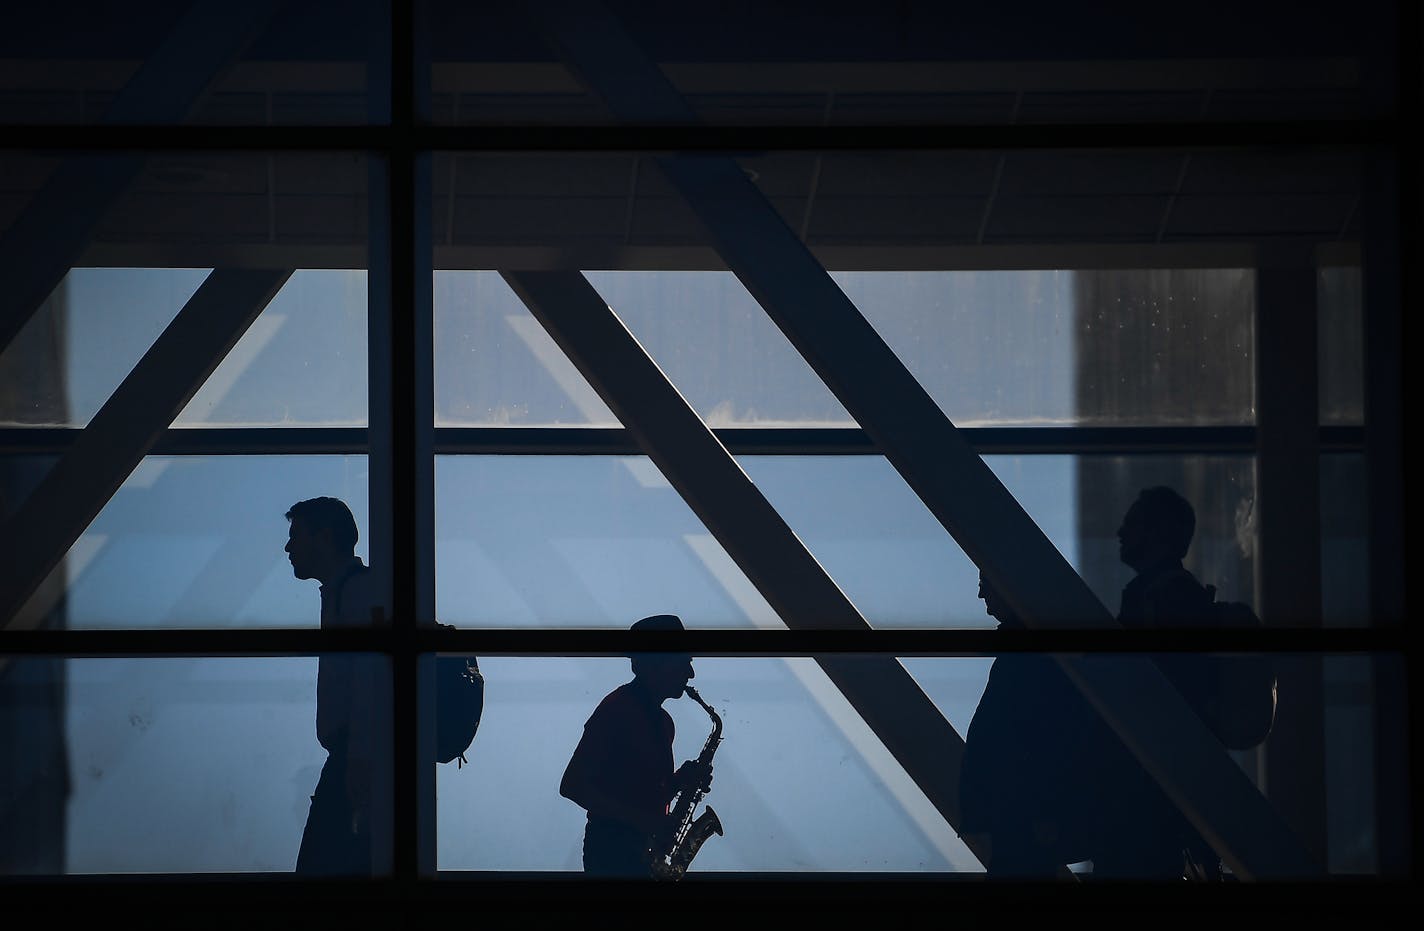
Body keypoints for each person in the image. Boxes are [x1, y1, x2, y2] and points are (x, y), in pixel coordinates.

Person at [1093, 485, 1221, 880]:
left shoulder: (1162, 598)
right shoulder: (1173, 595)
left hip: (1149, 786)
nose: (1120, 532)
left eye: (1131, 524)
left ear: (1157, 533)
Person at [958, 570, 1108, 878]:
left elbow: (1035, 739)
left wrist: (1041, 809)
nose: (980, 596)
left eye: (985, 585)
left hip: (1020, 814)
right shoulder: (1034, 654)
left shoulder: (1028, 659)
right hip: (1023, 813)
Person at [559, 613, 713, 878]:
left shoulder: (664, 723)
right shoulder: (617, 709)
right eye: (684, 662)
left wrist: (679, 782)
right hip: (612, 854)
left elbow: (643, 796)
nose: (691, 673)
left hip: (640, 852)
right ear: (658, 663)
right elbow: (572, 786)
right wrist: (646, 822)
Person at [285, 496, 391, 876]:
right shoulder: (348, 591)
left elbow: (370, 680)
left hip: (359, 755)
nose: (289, 547)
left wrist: (360, 760)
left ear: (324, 537)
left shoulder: (357, 592)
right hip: (359, 754)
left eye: (297, 536)